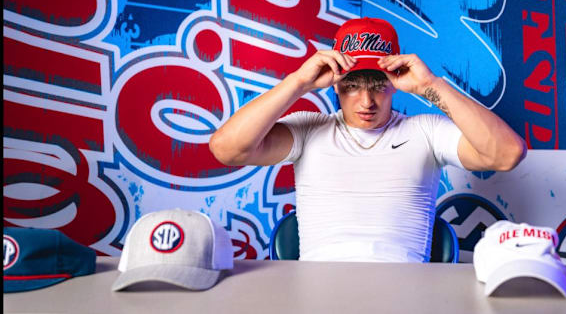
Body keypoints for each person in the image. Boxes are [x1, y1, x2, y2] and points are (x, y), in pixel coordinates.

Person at [209, 17, 526, 262]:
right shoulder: (308, 129)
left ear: (395, 82)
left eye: (377, 86)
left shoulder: (426, 131)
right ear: (335, 84)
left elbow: (507, 153)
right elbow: (227, 149)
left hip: (405, 290)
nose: (366, 102)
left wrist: (430, 85)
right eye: (352, 86)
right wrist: (298, 83)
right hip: (319, 289)